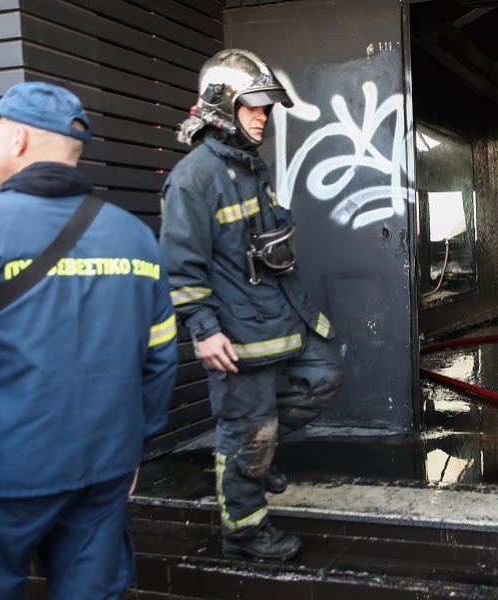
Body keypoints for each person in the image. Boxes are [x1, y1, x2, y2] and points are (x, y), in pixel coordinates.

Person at [0, 82, 178, 599]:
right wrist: (132, 453)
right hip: (103, 475)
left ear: (17, 139)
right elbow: (159, 361)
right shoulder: (135, 237)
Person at [159, 49, 345, 562]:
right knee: (248, 430)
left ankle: (256, 458)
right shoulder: (194, 178)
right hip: (237, 337)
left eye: (267, 107)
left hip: (279, 319)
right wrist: (203, 328)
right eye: (254, 107)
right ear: (222, 107)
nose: (264, 115)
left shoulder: (249, 168)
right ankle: (244, 532)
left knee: (324, 376)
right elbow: (181, 263)